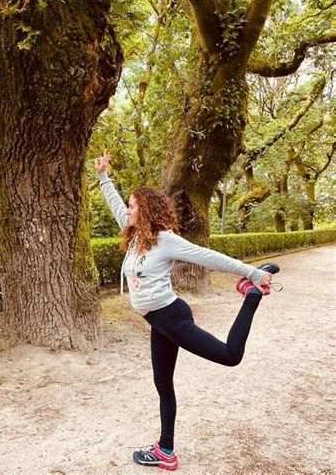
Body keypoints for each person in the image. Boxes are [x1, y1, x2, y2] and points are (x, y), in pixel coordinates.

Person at [94, 151, 279, 471]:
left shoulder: (166, 241)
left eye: (133, 205)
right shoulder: (137, 233)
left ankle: (251, 297)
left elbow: (207, 257)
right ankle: (166, 451)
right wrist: (103, 176)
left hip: (171, 316)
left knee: (230, 355)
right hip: (158, 321)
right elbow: (114, 205)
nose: (128, 209)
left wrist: (251, 273)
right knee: (162, 384)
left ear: (146, 210)